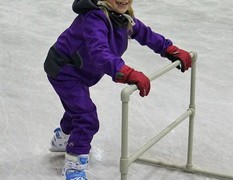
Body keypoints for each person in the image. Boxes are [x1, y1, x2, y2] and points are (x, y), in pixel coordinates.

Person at [44, 0, 192, 179]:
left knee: (76, 108)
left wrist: (169, 49)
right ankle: (73, 167)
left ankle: (63, 137)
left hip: (81, 70)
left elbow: (145, 34)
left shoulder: (123, 18)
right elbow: (99, 52)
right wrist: (126, 72)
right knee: (86, 117)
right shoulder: (94, 19)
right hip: (64, 70)